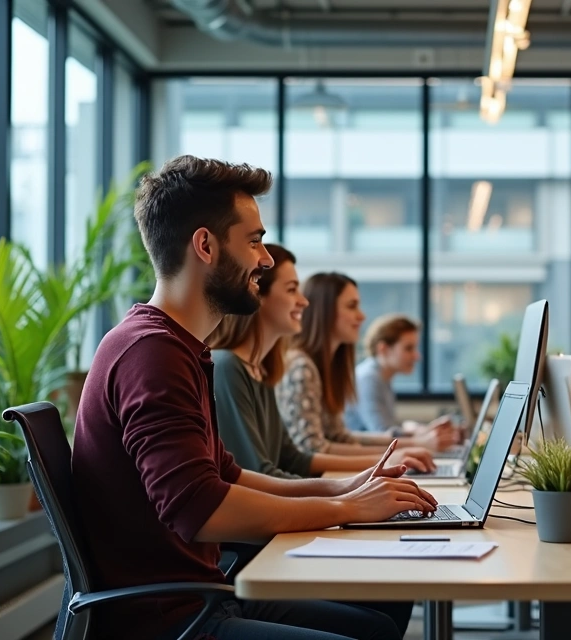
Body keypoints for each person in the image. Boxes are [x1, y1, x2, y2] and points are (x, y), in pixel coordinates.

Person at [72, 155, 435, 640]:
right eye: (254, 241)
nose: (264, 259)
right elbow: (202, 510)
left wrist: (345, 488)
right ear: (205, 245)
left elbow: (229, 476)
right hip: (170, 618)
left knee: (377, 619)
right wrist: (345, 510)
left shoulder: (179, 347)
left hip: (200, 594)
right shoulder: (151, 354)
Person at [209, 245, 432, 478]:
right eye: (292, 289)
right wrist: (349, 492)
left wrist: (386, 460)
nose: (304, 302)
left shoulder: (263, 369)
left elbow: (293, 457)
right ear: (257, 293)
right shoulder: (231, 367)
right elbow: (262, 472)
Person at [277, 273, 459, 462]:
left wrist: (411, 445)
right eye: (351, 306)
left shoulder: (330, 368)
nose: (362, 315)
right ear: (324, 312)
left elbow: (340, 436)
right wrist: (396, 455)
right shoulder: (301, 367)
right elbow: (313, 449)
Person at [344, 314, 455, 437]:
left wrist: (426, 431)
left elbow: (389, 428)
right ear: (384, 349)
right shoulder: (368, 379)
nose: (417, 356)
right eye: (408, 348)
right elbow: (384, 434)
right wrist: (425, 434)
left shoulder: (382, 378)